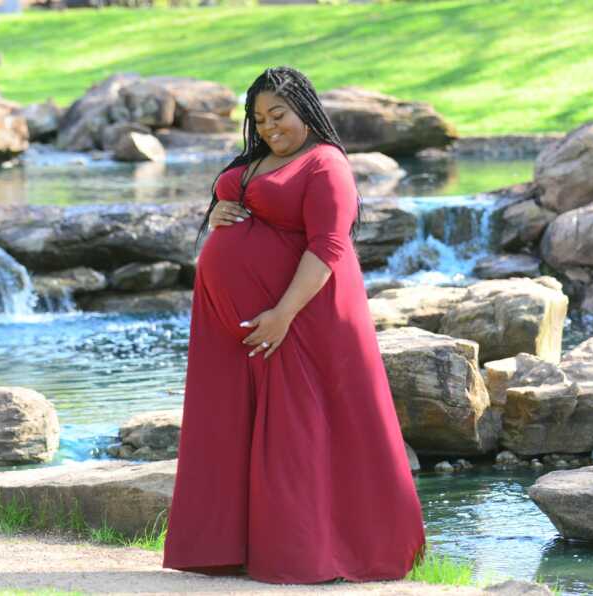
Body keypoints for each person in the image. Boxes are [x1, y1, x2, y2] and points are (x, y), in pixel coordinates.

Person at [162, 65, 426, 584]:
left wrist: (283, 314)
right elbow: (241, 205)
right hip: (242, 330)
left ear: (303, 108)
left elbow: (329, 246)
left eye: (277, 115)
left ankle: (307, 554)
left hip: (303, 317)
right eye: (259, 119)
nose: (268, 127)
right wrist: (218, 213)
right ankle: (233, 547)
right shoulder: (262, 159)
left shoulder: (326, 164)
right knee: (234, 428)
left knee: (301, 435)